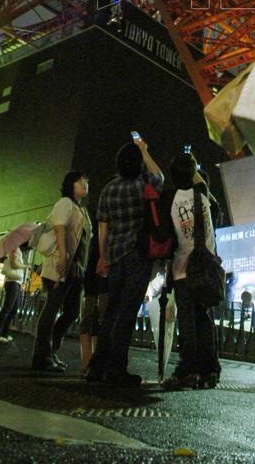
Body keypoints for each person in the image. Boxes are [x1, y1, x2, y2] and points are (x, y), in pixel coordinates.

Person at [86, 136, 163, 386]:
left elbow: (102, 228)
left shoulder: (109, 188)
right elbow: (159, 176)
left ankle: (97, 365)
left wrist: (102, 258)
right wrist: (145, 150)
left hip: (115, 257)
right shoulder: (144, 184)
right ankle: (116, 369)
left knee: (111, 311)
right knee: (127, 313)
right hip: (138, 256)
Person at [162, 151, 221, 390]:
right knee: (203, 319)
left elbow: (167, 236)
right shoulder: (204, 197)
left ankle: (189, 370)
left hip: (183, 268)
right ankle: (210, 370)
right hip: (206, 267)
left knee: (187, 322)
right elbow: (215, 210)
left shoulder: (171, 199)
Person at [30, 171, 91, 373]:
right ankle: (41, 356)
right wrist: (64, 256)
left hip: (76, 266)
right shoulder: (65, 203)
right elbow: (59, 228)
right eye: (81, 181)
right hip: (60, 262)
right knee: (52, 308)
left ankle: (50, 350)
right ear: (71, 184)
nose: (85, 183)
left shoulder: (80, 209)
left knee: (72, 311)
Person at [78, 230, 109, 376]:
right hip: (103, 274)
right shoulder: (106, 233)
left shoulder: (94, 234)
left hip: (92, 273)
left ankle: (87, 359)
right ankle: (94, 359)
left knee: (90, 315)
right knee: (102, 317)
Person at [0, 247, 28, 342]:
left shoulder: (18, 249)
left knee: (13, 310)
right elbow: (14, 264)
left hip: (16, 283)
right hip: (12, 282)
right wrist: (25, 266)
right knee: (8, 308)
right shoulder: (15, 248)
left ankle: (4, 333)